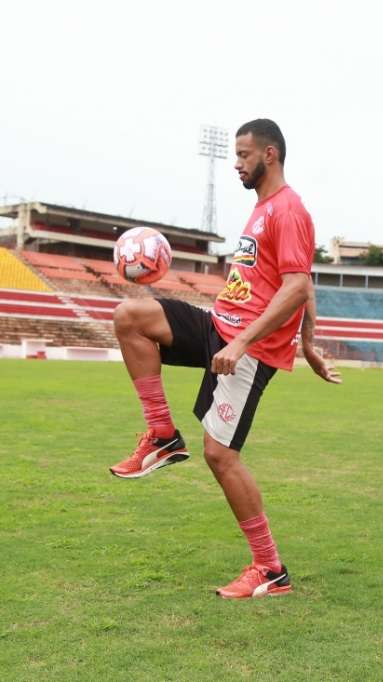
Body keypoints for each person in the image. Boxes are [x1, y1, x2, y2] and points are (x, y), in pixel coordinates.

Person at [109, 118, 341, 599]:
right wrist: (309, 343)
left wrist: (252, 344)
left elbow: (298, 286)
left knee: (220, 455)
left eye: (243, 155)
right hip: (219, 325)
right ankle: (162, 437)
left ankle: (270, 569)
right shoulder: (262, 210)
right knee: (131, 317)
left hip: (250, 347)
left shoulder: (288, 209)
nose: (236, 163)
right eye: (235, 155)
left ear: (269, 155)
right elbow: (299, 280)